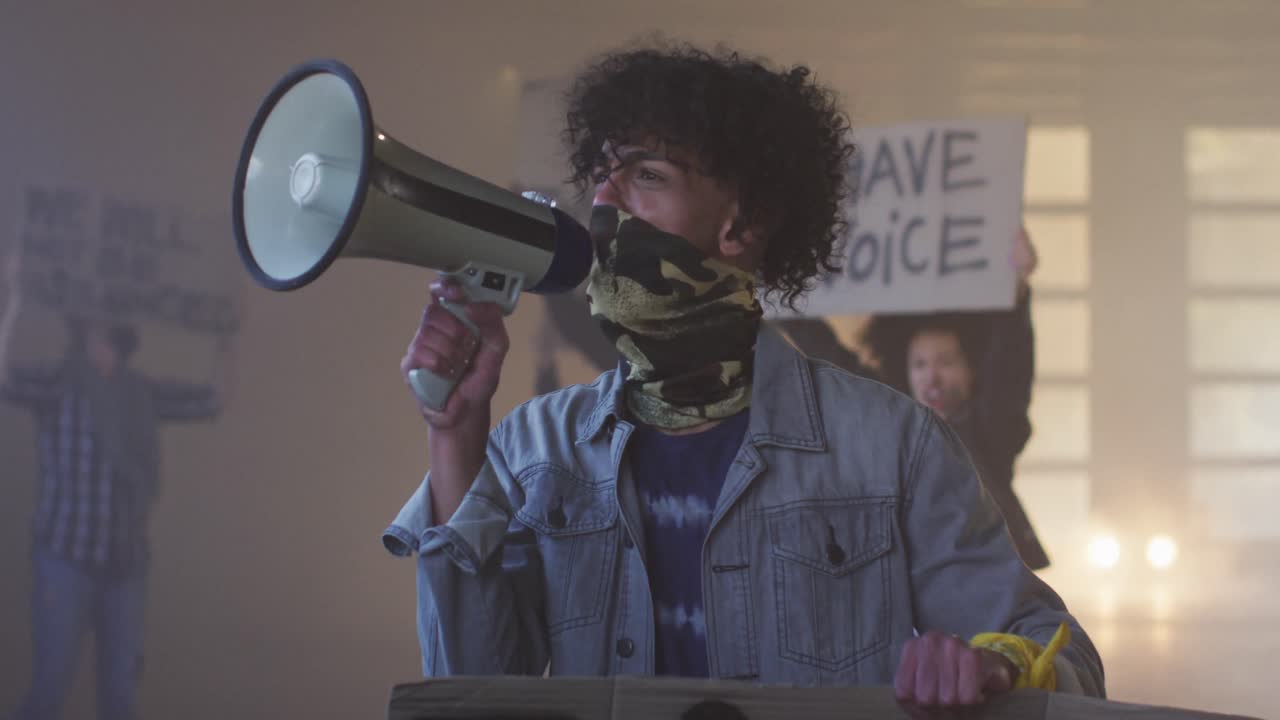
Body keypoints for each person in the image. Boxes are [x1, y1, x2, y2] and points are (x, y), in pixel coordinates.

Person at [384, 43, 1104, 711]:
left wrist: (994, 665)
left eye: (647, 176)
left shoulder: (894, 444)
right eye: (602, 178)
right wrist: (455, 434)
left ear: (743, 222)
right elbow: (471, 692)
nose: (604, 206)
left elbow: (1065, 661)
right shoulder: (533, 446)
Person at [1, 252, 232, 720]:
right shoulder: (61, 383)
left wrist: (226, 334)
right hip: (64, 562)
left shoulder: (139, 394)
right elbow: (5, 380)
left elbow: (212, 399)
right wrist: (13, 298)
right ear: (82, 329)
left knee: (120, 698)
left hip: (125, 569)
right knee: (49, 688)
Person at [860, 228, 1049, 570]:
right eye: (919, 364)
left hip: (981, 585)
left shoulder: (991, 430)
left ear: (971, 369)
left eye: (945, 362)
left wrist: (1018, 288)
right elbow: (827, 355)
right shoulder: (892, 428)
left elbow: (1010, 366)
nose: (931, 377)